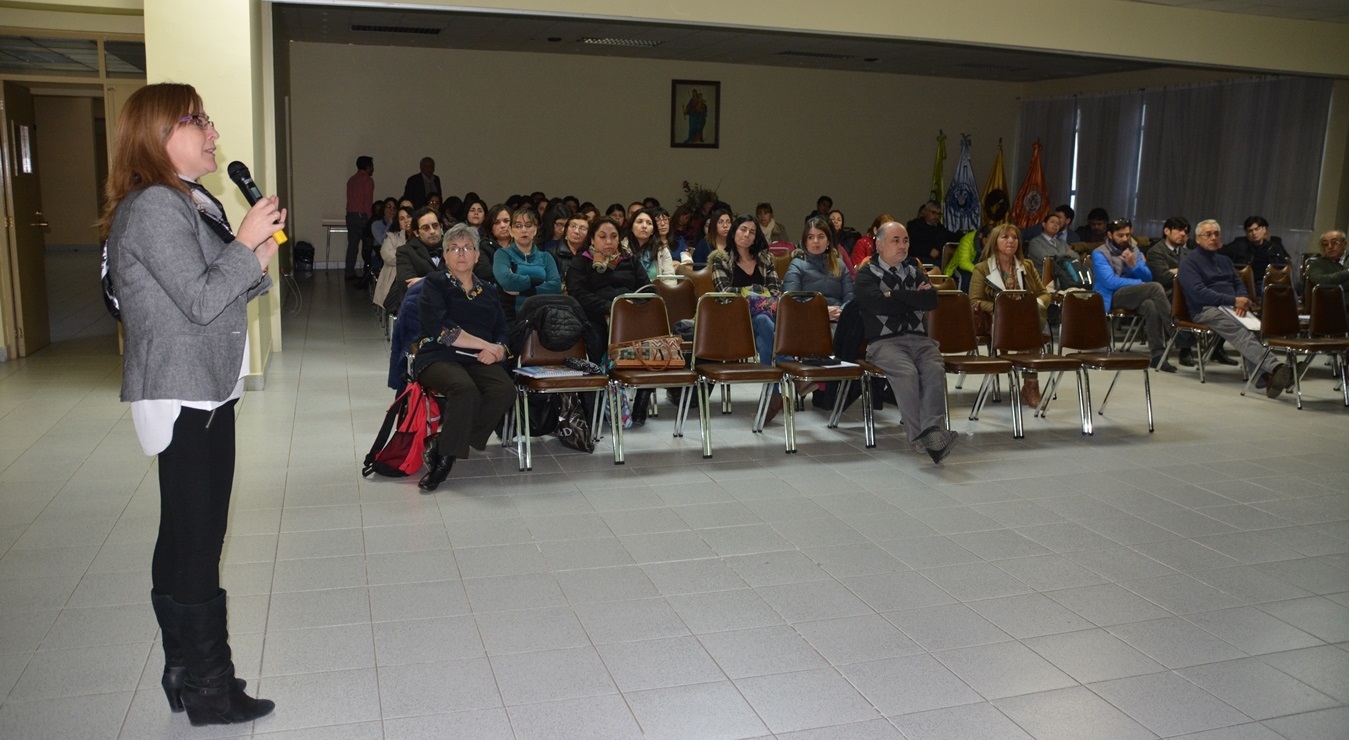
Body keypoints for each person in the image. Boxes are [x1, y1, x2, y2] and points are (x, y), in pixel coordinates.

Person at [101, 82, 278, 726]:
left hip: (201, 386)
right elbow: (202, 300)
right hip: (183, 393)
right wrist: (244, 245)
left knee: (181, 532)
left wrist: (253, 256)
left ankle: (183, 668)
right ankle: (210, 687)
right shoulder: (153, 206)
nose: (211, 131)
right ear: (157, 133)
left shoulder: (188, 200)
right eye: (196, 119)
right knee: (199, 540)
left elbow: (220, 290)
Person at [413, 223, 516, 491]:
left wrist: (500, 349)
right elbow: (443, 332)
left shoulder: (489, 290)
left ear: (477, 255)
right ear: (445, 256)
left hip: (478, 359)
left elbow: (503, 330)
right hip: (438, 355)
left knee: (504, 389)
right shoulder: (434, 283)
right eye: (454, 248)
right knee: (464, 389)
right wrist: (487, 345)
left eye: (467, 247)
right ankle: (445, 462)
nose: (461, 253)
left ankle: (442, 441)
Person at [854, 221, 959, 463]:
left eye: (906, 240)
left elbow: (931, 301)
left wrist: (895, 295)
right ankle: (920, 438)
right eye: (896, 240)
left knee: (934, 370)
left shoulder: (914, 270)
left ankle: (934, 434)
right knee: (907, 373)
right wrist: (914, 297)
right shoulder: (866, 275)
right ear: (879, 245)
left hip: (921, 340)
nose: (903, 246)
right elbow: (879, 305)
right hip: (885, 343)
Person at [1180, 220, 1294, 397]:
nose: (1213, 237)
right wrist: (1233, 300)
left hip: (1231, 306)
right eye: (1208, 234)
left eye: (1216, 234)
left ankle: (1264, 378)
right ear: (1198, 239)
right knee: (1239, 330)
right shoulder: (1189, 263)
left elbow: (1238, 283)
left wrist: (1243, 299)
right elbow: (1198, 293)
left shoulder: (1224, 260)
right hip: (1205, 309)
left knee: (1254, 328)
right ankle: (1277, 367)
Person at [711, 214, 784, 423]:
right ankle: (784, 379)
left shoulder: (765, 259)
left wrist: (747, 293)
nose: (747, 235)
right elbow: (724, 293)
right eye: (743, 229)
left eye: (752, 232)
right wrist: (756, 291)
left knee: (763, 324)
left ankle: (772, 394)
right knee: (764, 323)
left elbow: (776, 291)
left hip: (765, 318)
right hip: (734, 320)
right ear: (734, 232)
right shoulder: (721, 258)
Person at [970, 224, 1052, 406]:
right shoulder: (982, 268)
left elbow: (1044, 294)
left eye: (1014, 238)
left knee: (1033, 316)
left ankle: (1030, 385)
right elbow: (974, 300)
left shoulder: (1027, 266)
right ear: (994, 241)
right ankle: (1030, 382)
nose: (1011, 241)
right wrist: (1003, 308)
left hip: (1028, 318)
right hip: (998, 320)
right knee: (1030, 326)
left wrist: (1032, 305)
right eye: (1005, 237)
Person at [1090, 218, 1176, 371]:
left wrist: (1133, 265)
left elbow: (1148, 276)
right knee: (1155, 288)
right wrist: (1139, 284)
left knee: (1151, 305)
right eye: (1120, 235)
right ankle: (1175, 330)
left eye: (1127, 235)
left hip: (1134, 295)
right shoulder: (1099, 253)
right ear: (1110, 235)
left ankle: (1157, 355)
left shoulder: (1134, 250)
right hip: (1112, 297)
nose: (1124, 239)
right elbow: (1110, 282)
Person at [567, 217, 649, 346]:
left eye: (614, 236)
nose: (609, 241)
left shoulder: (630, 260)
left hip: (631, 313)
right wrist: (610, 307)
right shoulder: (581, 261)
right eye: (603, 237)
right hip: (594, 317)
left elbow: (649, 290)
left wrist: (633, 303)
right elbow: (577, 293)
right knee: (595, 340)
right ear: (592, 239)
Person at [1145, 217, 1197, 366]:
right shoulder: (1156, 251)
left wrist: (1176, 271)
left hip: (1185, 292)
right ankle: (1185, 346)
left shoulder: (1189, 253)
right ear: (1166, 231)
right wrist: (1184, 273)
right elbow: (1163, 277)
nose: (1183, 234)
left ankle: (1208, 346)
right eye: (1179, 230)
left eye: (1185, 232)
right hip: (1164, 292)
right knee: (1186, 300)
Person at [493, 208, 561, 316]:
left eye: (528, 225)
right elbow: (507, 280)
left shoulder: (546, 257)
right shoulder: (502, 254)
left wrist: (524, 291)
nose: (524, 230)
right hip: (512, 316)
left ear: (535, 230)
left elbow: (556, 287)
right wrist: (537, 282)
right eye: (518, 226)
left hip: (544, 317)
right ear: (510, 231)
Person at [784, 216, 854, 316]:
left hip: (840, 319)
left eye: (821, 237)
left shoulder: (840, 265)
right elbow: (791, 304)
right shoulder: (796, 265)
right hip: (809, 320)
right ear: (805, 242)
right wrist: (822, 313)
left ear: (828, 241)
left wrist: (840, 313)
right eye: (811, 237)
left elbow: (850, 299)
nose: (816, 241)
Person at [387, 207, 444, 316]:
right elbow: (408, 284)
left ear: (441, 227)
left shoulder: (452, 247)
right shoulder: (405, 251)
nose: (432, 231)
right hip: (418, 308)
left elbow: (461, 278)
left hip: (449, 306)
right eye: (426, 228)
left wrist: (425, 279)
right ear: (417, 232)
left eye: (435, 226)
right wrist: (446, 280)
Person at [1221, 215, 1291, 295]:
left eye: (1256, 229)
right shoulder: (1239, 244)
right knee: (1274, 292)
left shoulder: (1273, 247)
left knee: (1293, 288)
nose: (1254, 233)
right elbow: (1220, 255)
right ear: (1247, 233)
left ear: (1264, 230)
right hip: (1250, 283)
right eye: (1250, 231)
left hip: (1271, 281)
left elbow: (1283, 265)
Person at [373, 205, 414, 312]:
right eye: (402, 218)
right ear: (398, 223)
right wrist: (409, 255)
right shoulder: (392, 237)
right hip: (395, 276)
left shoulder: (421, 236)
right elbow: (387, 255)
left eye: (409, 216)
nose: (406, 220)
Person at [344, 155, 374, 281]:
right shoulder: (367, 180)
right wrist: (371, 219)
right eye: (372, 165)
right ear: (367, 167)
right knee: (368, 245)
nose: (373, 168)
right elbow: (367, 202)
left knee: (352, 246)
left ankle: (349, 272)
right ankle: (368, 270)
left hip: (351, 216)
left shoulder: (351, 180)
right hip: (362, 216)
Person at [1305, 229, 1348, 316]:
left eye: (1334, 242)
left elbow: (1328, 282)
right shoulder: (1317, 264)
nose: (1330, 246)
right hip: (1331, 308)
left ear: (1344, 244)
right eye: (1325, 244)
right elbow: (1320, 281)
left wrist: (1335, 283)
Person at [625, 208, 674, 281]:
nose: (644, 226)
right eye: (639, 222)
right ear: (631, 227)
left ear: (653, 231)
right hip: (630, 291)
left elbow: (670, 279)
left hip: (657, 291)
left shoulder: (662, 250)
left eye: (649, 223)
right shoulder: (621, 248)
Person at [905, 200, 959, 265]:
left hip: (938, 260)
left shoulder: (940, 227)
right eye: (933, 213)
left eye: (939, 214)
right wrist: (928, 250)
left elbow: (952, 237)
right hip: (920, 260)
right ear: (925, 212)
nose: (936, 216)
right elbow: (913, 245)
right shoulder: (914, 226)